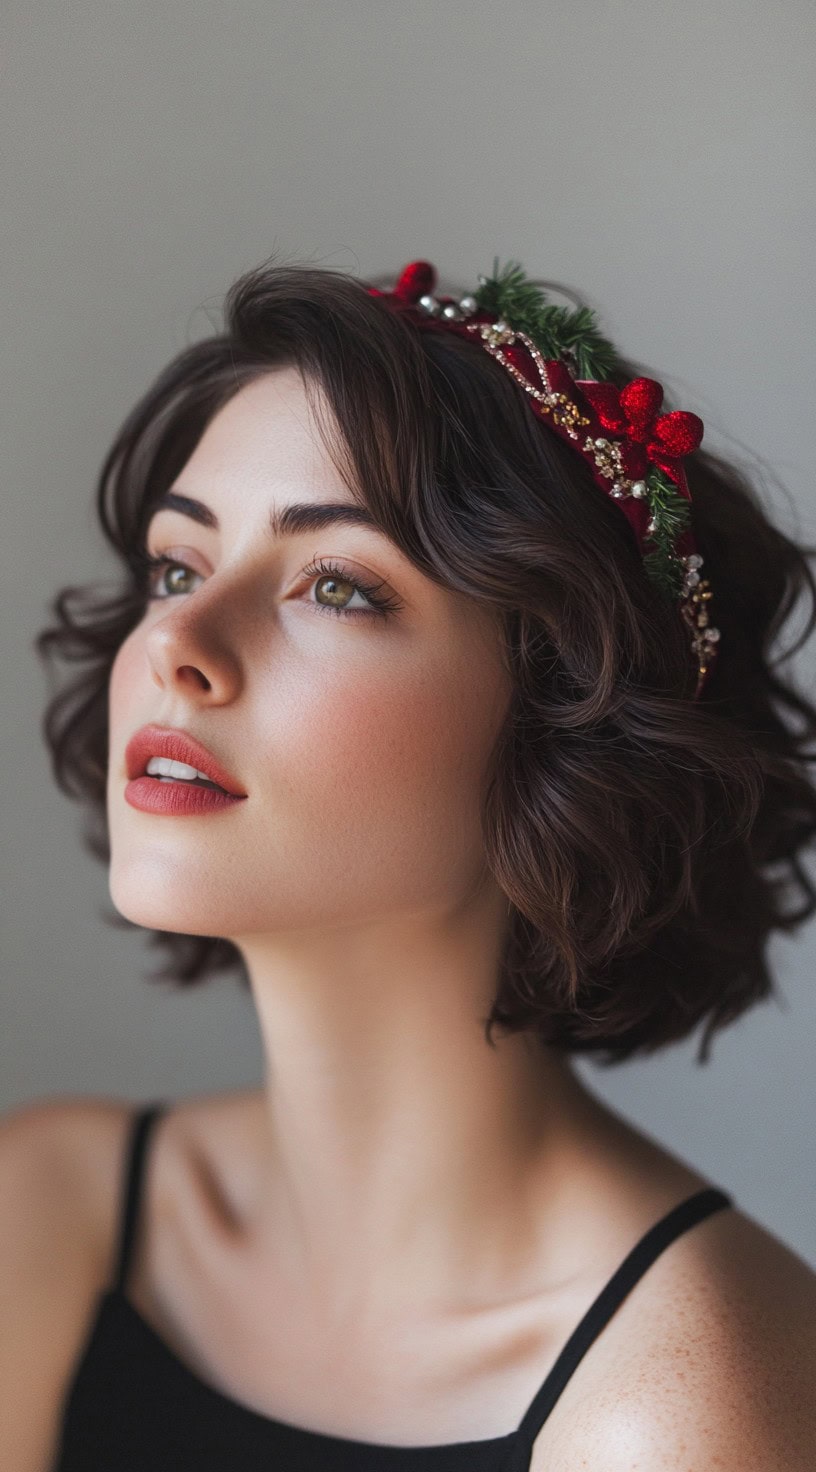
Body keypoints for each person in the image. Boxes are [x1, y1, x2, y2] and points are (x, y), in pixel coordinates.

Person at [3, 255, 816, 1470]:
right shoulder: (41, 1207)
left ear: (565, 717)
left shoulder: (686, 1400)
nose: (176, 640)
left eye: (336, 585)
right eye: (178, 566)